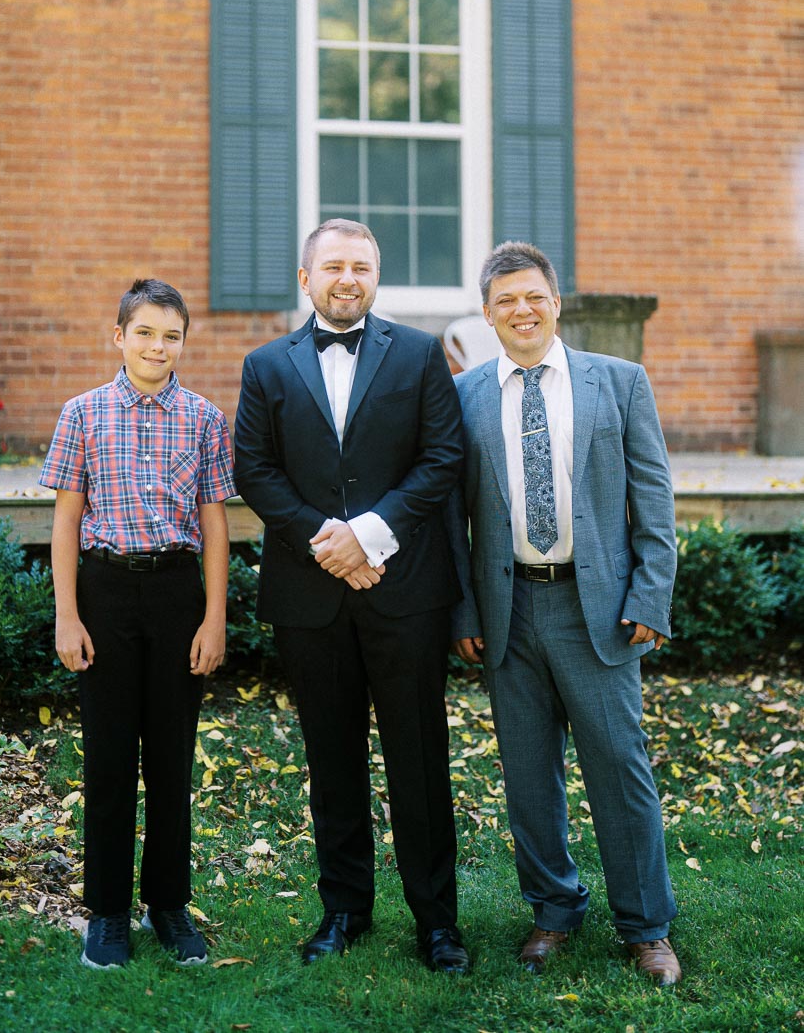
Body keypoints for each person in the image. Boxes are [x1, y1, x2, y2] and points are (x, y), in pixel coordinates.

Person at [233, 219, 469, 975]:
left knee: (419, 760)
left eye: (361, 267)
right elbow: (253, 469)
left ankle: (437, 922)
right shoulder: (265, 366)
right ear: (306, 278)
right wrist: (327, 542)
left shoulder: (420, 355)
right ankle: (343, 909)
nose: (347, 279)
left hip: (406, 591)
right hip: (311, 596)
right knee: (331, 757)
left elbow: (443, 457)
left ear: (376, 276)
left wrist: (369, 535)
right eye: (333, 266)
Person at [450, 241, 681, 986]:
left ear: (555, 302)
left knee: (619, 767)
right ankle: (553, 910)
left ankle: (646, 925)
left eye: (533, 296)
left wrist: (649, 594)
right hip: (508, 607)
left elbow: (653, 497)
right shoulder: (465, 396)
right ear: (488, 314)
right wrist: (464, 609)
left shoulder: (619, 382)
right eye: (505, 300)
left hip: (599, 608)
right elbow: (452, 517)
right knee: (528, 775)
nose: (521, 310)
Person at [39, 278, 234, 971]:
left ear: (184, 343)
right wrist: (68, 615)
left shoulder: (205, 419)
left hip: (178, 592)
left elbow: (215, 525)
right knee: (111, 757)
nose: (158, 346)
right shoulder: (82, 414)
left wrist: (214, 617)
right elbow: (66, 520)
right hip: (106, 591)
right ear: (119, 336)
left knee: (173, 758)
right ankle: (108, 912)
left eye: (171, 335)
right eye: (145, 332)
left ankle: (168, 904)